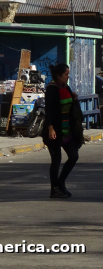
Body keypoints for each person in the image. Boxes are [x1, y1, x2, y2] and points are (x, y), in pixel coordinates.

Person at [42, 63, 81, 199]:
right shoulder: (52, 89)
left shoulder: (66, 87)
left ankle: (60, 182)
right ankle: (54, 189)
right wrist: (50, 128)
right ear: (59, 75)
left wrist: (74, 98)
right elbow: (49, 111)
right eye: (66, 74)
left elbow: (70, 103)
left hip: (67, 131)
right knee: (56, 160)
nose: (68, 77)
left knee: (74, 156)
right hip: (54, 131)